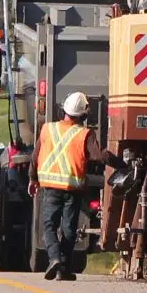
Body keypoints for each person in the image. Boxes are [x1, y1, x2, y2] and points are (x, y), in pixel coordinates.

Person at [35, 91, 107, 280]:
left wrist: (32, 179)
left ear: (63, 110)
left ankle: (54, 259)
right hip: (73, 190)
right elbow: (98, 156)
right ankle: (63, 268)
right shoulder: (85, 134)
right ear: (84, 115)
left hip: (50, 188)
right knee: (69, 229)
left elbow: (35, 157)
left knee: (49, 225)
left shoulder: (47, 129)